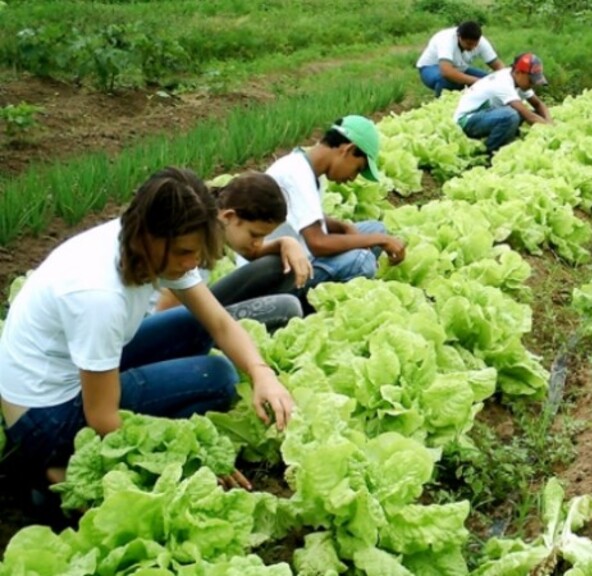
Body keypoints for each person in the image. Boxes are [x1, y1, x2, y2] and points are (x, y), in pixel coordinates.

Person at [0, 167, 295, 502]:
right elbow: (103, 416)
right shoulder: (98, 294)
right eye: (185, 253)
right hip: (44, 416)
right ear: (149, 237)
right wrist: (185, 456)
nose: (192, 263)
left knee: (194, 324)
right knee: (218, 377)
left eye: (196, 253)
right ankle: (56, 471)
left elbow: (219, 323)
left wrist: (261, 372)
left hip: (63, 372)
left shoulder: (146, 240)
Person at [263, 115, 405, 313]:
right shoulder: (295, 175)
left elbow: (302, 216)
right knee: (362, 260)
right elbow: (318, 243)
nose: (352, 178)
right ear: (348, 149)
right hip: (280, 275)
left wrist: (343, 226)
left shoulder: (307, 169)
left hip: (301, 254)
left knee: (375, 227)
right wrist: (377, 240)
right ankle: (312, 306)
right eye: (358, 169)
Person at [153, 172, 309, 331]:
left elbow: (255, 253)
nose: (258, 244)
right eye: (254, 235)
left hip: (192, 310)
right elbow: (164, 314)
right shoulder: (192, 241)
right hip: (167, 324)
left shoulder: (216, 227)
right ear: (229, 216)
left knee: (282, 265)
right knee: (287, 308)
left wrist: (286, 242)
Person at [453, 52, 552, 154]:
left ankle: (506, 137)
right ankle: (489, 152)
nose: (532, 84)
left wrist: (549, 122)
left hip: (488, 115)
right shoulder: (503, 82)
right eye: (531, 81)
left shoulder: (519, 81)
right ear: (518, 72)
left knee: (534, 113)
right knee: (511, 115)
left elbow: (539, 104)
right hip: (467, 120)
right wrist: (552, 130)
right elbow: (528, 116)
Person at [416, 21, 504, 97]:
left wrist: (505, 79)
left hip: (459, 68)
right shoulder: (446, 39)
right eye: (469, 44)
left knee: (491, 81)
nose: (472, 47)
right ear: (459, 37)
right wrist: (478, 82)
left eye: (475, 44)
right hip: (430, 68)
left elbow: (498, 66)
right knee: (447, 79)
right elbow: (447, 72)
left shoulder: (481, 42)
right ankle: (441, 102)